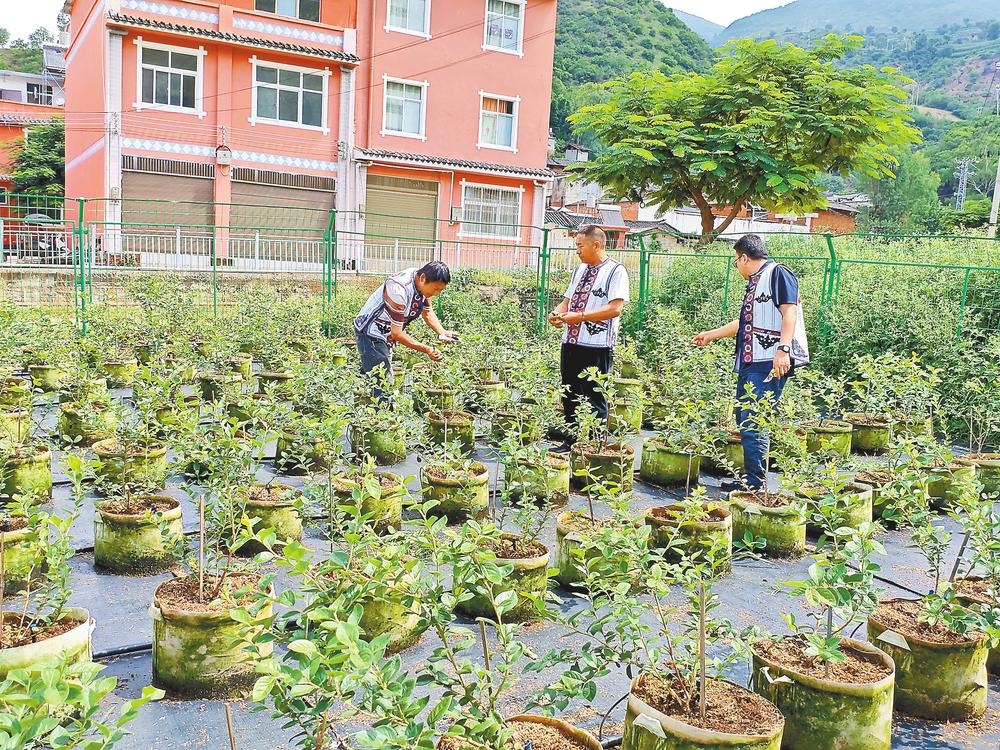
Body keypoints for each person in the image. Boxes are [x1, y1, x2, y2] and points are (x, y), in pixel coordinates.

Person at [694, 234, 809, 490]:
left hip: (769, 361)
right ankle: (751, 479)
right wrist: (711, 335)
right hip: (751, 361)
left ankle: (755, 484)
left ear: (744, 258)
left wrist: (783, 349)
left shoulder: (778, 274)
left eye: (736, 260)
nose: (736, 266)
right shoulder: (756, 282)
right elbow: (745, 323)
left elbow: (789, 312)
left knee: (754, 418)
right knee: (744, 416)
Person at [548, 225, 630, 447]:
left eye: (580, 246)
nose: (577, 251)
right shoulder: (579, 270)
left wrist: (580, 317)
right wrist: (556, 314)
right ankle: (571, 441)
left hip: (597, 345)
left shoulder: (616, 271)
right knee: (569, 392)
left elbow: (615, 309)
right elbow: (566, 302)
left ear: (596, 245)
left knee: (595, 395)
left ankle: (596, 445)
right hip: (571, 342)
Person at [354, 261, 458, 396]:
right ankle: (380, 407)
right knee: (382, 384)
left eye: (440, 290)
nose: (437, 294)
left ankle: (377, 401)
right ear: (423, 278)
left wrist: (442, 332)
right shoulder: (398, 290)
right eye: (435, 289)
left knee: (383, 376)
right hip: (370, 332)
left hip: (385, 333)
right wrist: (427, 349)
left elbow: (427, 311)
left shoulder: (419, 280)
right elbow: (397, 333)